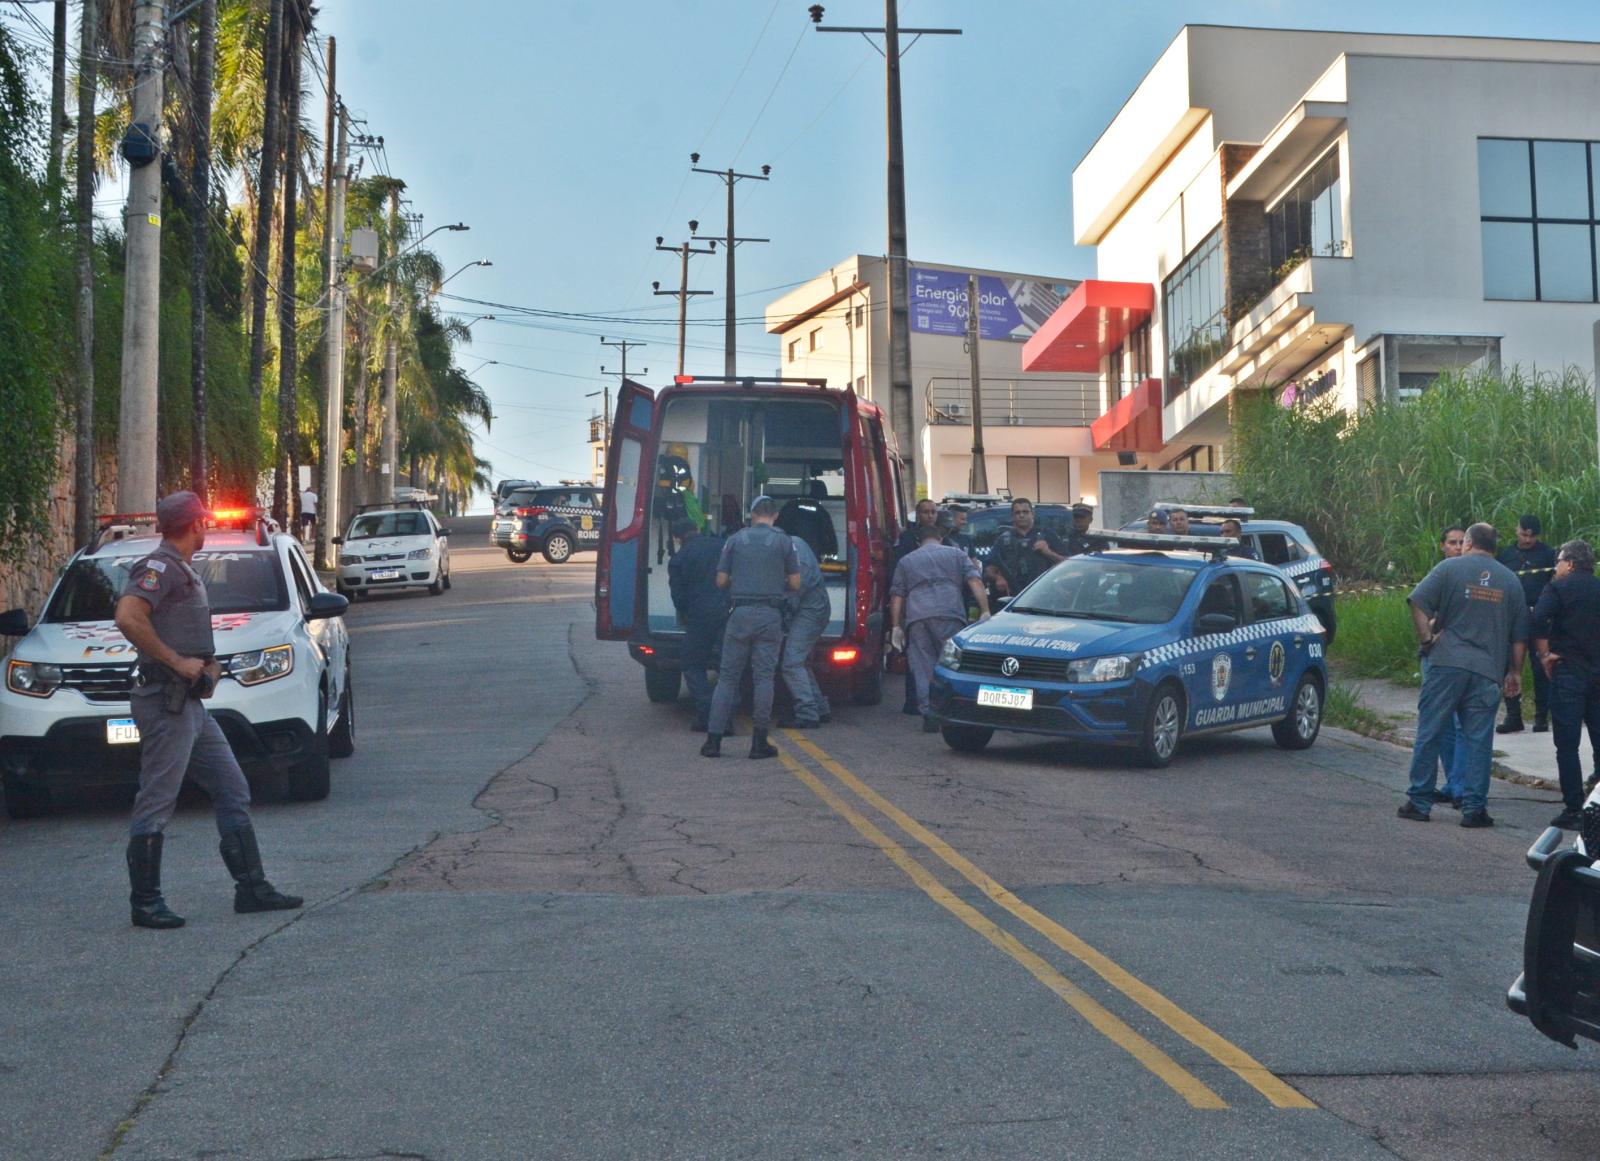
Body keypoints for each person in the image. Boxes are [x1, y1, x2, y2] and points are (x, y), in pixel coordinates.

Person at [113, 492, 303, 930]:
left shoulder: (182, 570)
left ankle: (252, 889)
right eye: (205, 520)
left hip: (191, 703)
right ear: (196, 523)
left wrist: (209, 666)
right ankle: (145, 902)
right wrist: (177, 662)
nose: (207, 527)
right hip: (166, 702)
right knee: (158, 798)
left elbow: (185, 636)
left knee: (232, 787)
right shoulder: (158, 567)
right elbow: (127, 616)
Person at [1398, 522, 1528, 828]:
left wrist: (1426, 641)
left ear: (1468, 542)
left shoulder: (1449, 569)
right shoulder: (1510, 581)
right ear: (1495, 546)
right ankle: (1474, 809)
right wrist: (1515, 673)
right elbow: (1520, 635)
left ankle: (1419, 801)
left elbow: (1417, 601)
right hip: (1487, 671)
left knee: (1430, 732)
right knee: (1478, 740)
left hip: (1446, 664)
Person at [701, 497, 800, 760]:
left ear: (751, 514)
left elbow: (721, 580)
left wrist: (740, 581)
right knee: (764, 678)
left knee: (727, 678)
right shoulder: (784, 541)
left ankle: (713, 741)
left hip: (739, 614)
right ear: (775, 516)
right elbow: (796, 582)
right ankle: (758, 743)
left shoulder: (734, 540)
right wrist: (776, 585)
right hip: (770, 615)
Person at [891, 524, 991, 730]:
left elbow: (897, 595)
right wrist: (985, 610)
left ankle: (929, 712)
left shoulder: (906, 561)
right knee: (951, 664)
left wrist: (895, 626)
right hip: (950, 613)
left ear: (919, 542)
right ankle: (953, 709)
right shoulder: (956, 554)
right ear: (941, 539)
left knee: (922, 666)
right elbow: (975, 581)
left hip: (918, 617)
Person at [1533, 539, 1600, 829]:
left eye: (1559, 561)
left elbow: (1538, 619)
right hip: (1598, 674)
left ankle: (1573, 808)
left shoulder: (1557, 588)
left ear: (1570, 563)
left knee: (1567, 744)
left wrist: (1545, 655)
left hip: (1568, 672)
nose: (1556, 566)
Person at [1498, 514, 1557, 734]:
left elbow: (1555, 583)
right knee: (1511, 665)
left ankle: (1542, 717)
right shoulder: (1505, 555)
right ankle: (1514, 716)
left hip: (1539, 616)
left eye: (1532, 537)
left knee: (1541, 666)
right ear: (1517, 530)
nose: (1527, 540)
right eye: (1523, 534)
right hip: (1513, 616)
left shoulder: (1548, 554)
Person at [668, 518, 728, 733]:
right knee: (727, 667)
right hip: (726, 614)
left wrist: (687, 614)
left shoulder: (678, 559)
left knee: (693, 664)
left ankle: (706, 713)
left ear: (677, 538)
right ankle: (726, 717)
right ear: (697, 529)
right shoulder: (721, 545)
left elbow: (679, 599)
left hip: (698, 619)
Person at [1429, 525, 1469, 807]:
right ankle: (1452, 780)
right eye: (1452, 543)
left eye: (1461, 542)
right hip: (1438, 655)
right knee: (1443, 725)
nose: (1456, 547)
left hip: (1465, 659)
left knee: (1462, 724)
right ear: (1442, 546)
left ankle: (1462, 786)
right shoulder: (1437, 575)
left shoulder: (1472, 576)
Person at [892, 498, 943, 713]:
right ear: (918, 515)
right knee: (915, 655)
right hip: (913, 602)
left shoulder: (942, 538)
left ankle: (937, 701)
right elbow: (898, 570)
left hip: (940, 604)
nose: (930, 515)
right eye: (925, 512)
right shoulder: (907, 539)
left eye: (933, 512)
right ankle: (913, 701)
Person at [777, 534, 833, 729]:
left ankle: (807, 713)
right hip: (814, 610)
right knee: (801, 663)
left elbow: (795, 589)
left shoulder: (794, 552)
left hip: (810, 612)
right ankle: (819, 708)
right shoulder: (795, 544)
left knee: (791, 663)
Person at [986, 497, 1066, 601]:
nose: (1021, 515)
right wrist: (998, 578)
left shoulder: (1047, 535)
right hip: (1014, 596)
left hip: (1044, 593)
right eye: (1017, 512)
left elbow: (1067, 562)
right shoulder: (1004, 539)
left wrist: (1048, 552)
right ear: (1012, 516)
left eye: (1025, 512)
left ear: (1032, 514)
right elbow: (988, 568)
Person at [775, 481, 838, 560]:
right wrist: (830, 556)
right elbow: (830, 538)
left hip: (787, 558)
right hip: (813, 558)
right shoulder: (821, 511)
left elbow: (777, 530)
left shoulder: (789, 507)